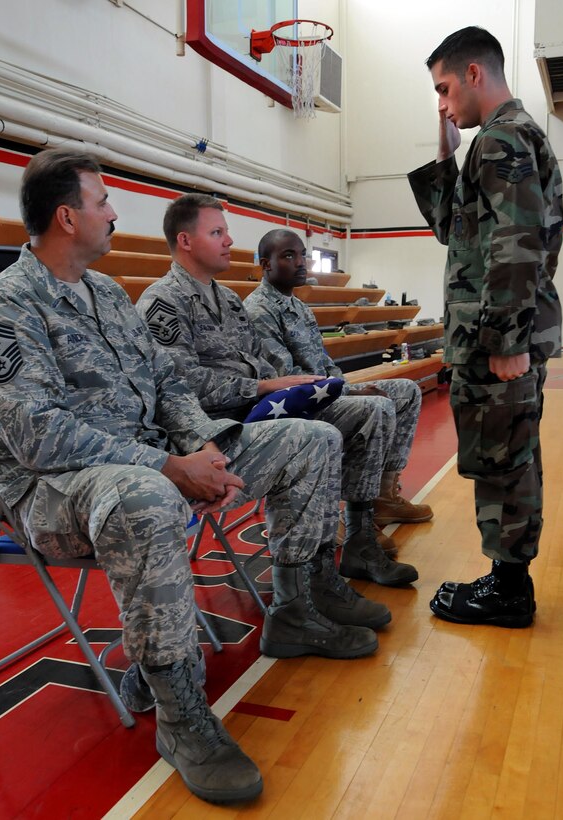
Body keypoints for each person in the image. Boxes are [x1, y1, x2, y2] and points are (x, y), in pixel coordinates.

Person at [0, 149, 381, 806]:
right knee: (147, 497)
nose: (113, 212)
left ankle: (293, 610)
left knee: (311, 439)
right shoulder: (12, 303)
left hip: (152, 458)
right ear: (67, 216)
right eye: (102, 201)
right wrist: (168, 468)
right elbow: (36, 435)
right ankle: (180, 718)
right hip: (55, 489)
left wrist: (203, 449)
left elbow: (169, 383)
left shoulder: (110, 293)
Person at [136, 194, 421, 591]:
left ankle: (359, 537)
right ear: (185, 241)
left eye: (226, 232)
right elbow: (179, 385)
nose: (229, 241)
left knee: (373, 411)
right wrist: (262, 386)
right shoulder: (163, 303)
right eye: (217, 232)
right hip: (222, 428)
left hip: (265, 408)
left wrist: (295, 386)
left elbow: (260, 361)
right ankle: (305, 583)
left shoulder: (228, 299)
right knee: (320, 436)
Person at [407, 26, 563, 627]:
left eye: (444, 89)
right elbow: (457, 230)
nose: (442, 103)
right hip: (496, 335)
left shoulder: (503, 140)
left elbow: (515, 245)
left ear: (476, 73)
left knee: (505, 459)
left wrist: (504, 341)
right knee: (506, 454)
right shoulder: (500, 141)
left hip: (497, 341)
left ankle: (507, 590)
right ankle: (507, 581)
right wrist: (446, 148)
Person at [244, 228, 433, 541]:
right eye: (289, 256)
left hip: (326, 394)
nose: (301, 262)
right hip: (297, 408)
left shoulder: (300, 307)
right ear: (266, 264)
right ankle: (351, 513)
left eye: (302, 254)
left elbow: (326, 362)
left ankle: (383, 497)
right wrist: (351, 392)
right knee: (378, 405)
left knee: (407, 391)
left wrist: (345, 385)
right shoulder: (259, 311)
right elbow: (289, 379)